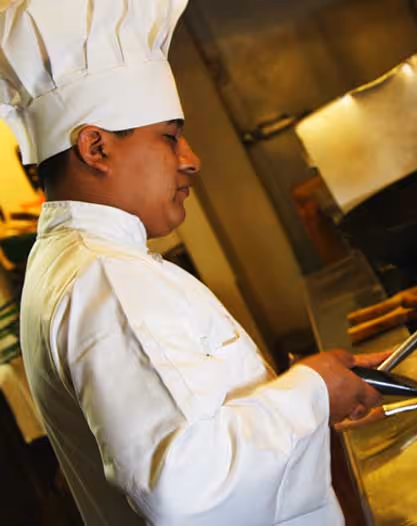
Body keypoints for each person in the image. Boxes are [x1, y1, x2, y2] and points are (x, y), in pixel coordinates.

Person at [0, 1, 384, 525]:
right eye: (170, 136)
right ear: (96, 148)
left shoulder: (74, 262)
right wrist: (312, 391)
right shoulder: (104, 276)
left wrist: (313, 393)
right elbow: (186, 488)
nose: (191, 159)